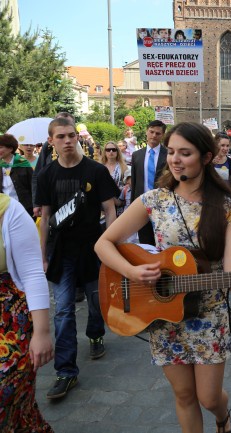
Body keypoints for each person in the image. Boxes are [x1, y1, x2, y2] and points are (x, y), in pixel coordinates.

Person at [95, 121, 231, 433]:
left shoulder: (227, 208)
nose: (175, 159)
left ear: (206, 157)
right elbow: (103, 243)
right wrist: (132, 271)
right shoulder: (154, 200)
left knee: (209, 398)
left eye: (185, 153)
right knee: (184, 395)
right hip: (165, 316)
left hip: (209, 315)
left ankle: (222, 416)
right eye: (171, 152)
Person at [36, 117, 119, 400]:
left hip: (93, 249)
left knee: (97, 304)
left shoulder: (95, 171)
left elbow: (110, 210)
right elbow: (45, 217)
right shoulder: (46, 174)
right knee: (62, 310)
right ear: (52, 141)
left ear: (78, 138)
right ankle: (66, 372)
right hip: (61, 252)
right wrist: (42, 256)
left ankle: (96, 334)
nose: (67, 140)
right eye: (61, 137)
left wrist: (111, 245)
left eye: (71, 135)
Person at [0, 193, 54, 432]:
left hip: (9, 321)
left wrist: (42, 332)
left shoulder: (10, 211)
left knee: (10, 397)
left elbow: (33, 273)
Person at [131, 120, 168, 245]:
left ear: (162, 135)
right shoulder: (137, 155)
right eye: (151, 132)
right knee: (145, 241)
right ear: (146, 132)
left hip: (162, 204)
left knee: (162, 240)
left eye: (158, 133)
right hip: (142, 203)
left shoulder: (168, 155)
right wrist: (132, 205)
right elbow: (135, 182)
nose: (154, 136)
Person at [0, 134, 34, 217]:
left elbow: (33, 186)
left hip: (25, 208)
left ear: (10, 148)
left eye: (0, 147)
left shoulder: (23, 164)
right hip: (5, 208)